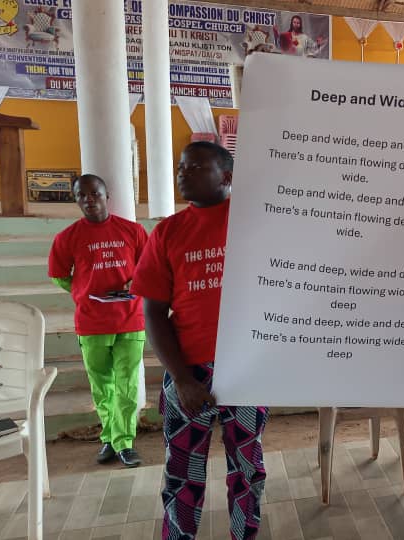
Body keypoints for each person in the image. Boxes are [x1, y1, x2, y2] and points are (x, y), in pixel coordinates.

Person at [131, 142, 268, 540]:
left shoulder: (256, 223)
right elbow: (153, 313)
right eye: (181, 166)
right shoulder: (168, 232)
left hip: (246, 370)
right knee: (182, 474)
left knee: (247, 470)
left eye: (195, 167)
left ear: (226, 177)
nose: (182, 173)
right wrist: (182, 379)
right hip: (187, 374)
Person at [48, 174, 147, 468]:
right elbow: (58, 275)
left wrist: (135, 284)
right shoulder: (67, 237)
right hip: (91, 323)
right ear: (76, 200)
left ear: (107, 196)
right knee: (102, 385)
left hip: (130, 319)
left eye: (95, 193)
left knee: (127, 384)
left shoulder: (133, 231)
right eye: (82, 195)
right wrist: (81, 291)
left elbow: (150, 266)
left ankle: (124, 442)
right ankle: (110, 437)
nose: (89, 200)